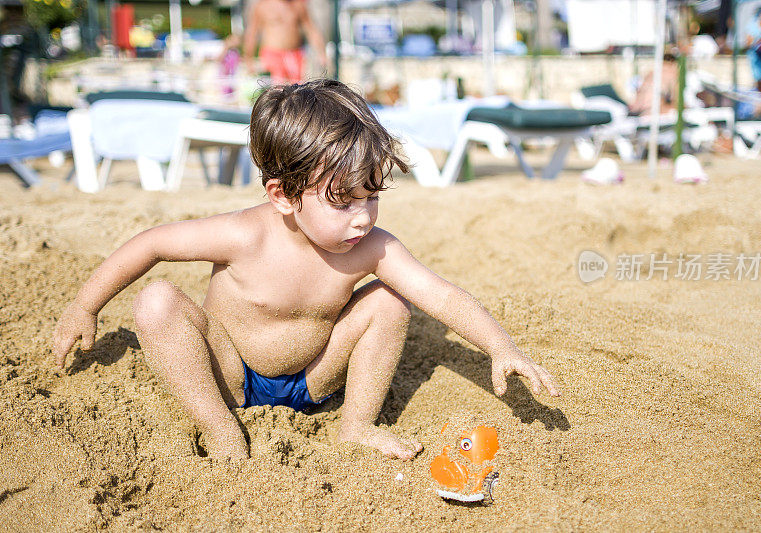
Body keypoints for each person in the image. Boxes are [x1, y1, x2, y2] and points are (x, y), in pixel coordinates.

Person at [52, 79, 561, 461]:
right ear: (282, 195)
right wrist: (84, 305)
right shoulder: (242, 235)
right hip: (229, 376)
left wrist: (501, 347)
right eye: (343, 201)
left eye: (371, 197)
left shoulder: (369, 248)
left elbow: (443, 298)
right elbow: (150, 245)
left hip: (317, 379)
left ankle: (356, 427)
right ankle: (216, 424)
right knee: (157, 301)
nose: (362, 217)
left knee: (388, 301)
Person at [243, 0, 328, 85]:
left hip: (295, 56)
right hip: (273, 56)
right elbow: (252, 33)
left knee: (297, 91)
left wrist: (322, 54)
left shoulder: (298, 5)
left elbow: (311, 30)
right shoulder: (263, 6)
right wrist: (248, 59)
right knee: (275, 92)